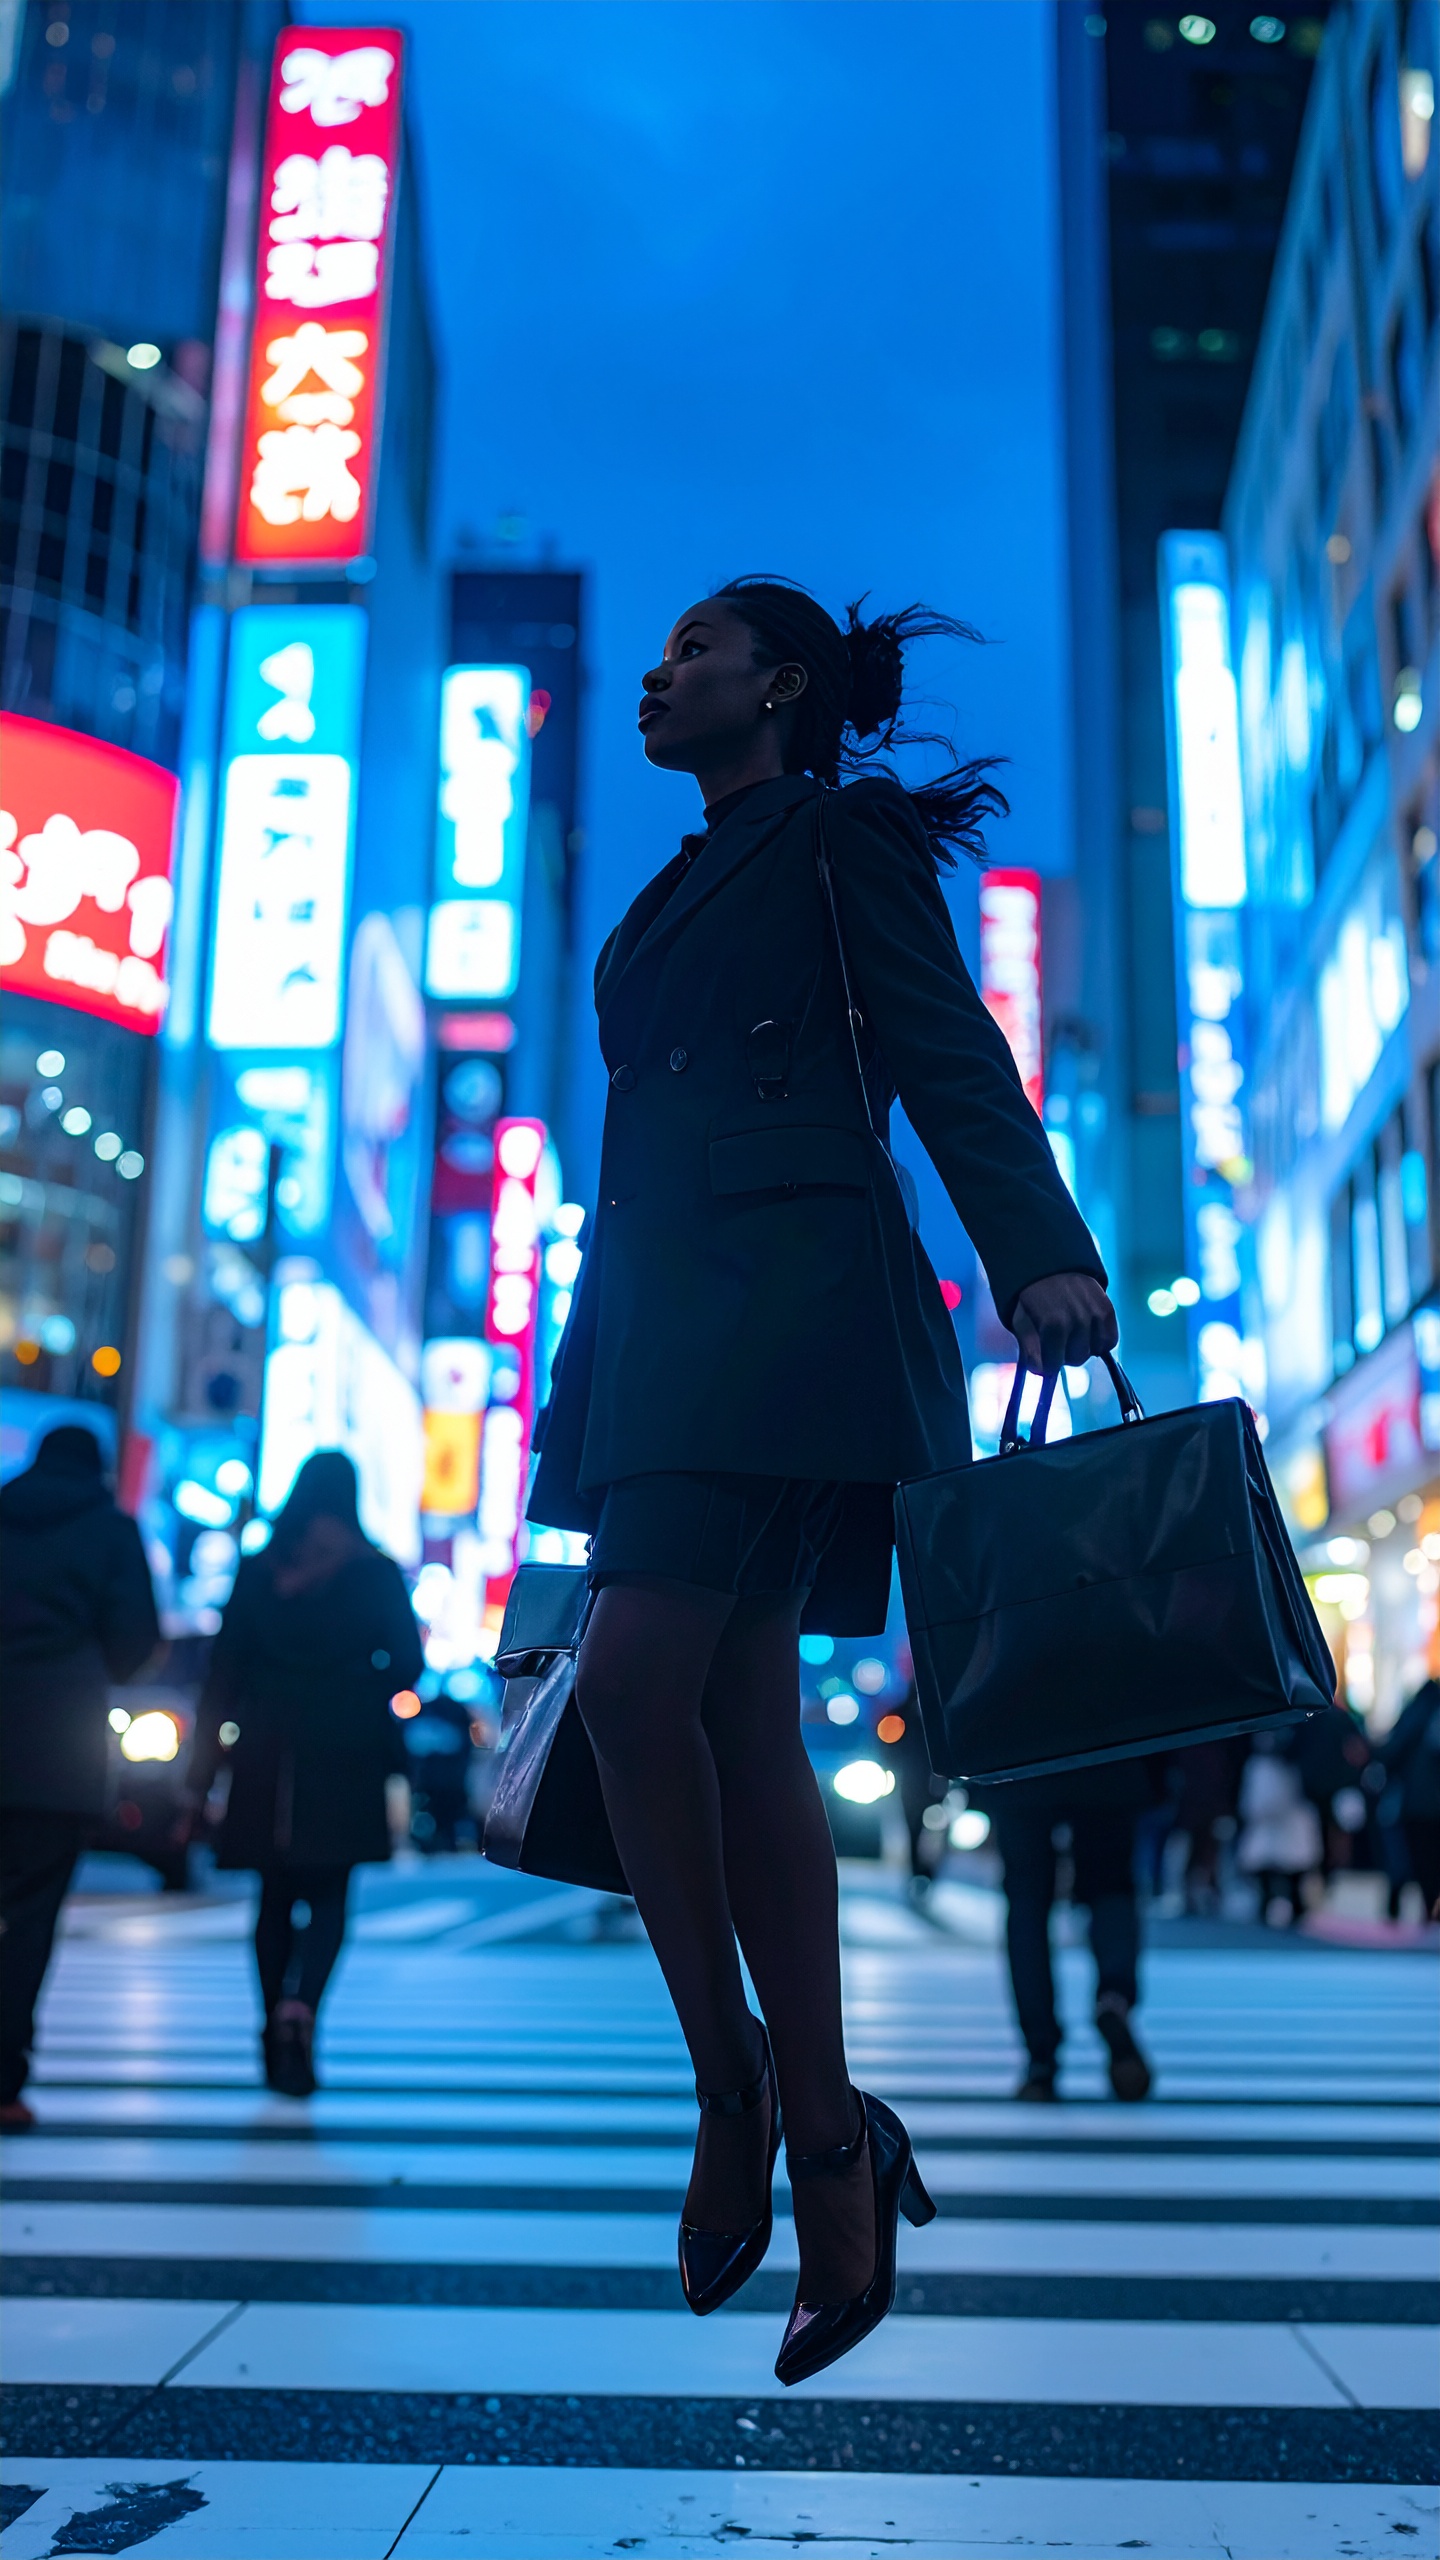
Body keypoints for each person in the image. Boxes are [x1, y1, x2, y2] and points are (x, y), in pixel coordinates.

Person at [527, 578, 1118, 2384]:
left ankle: (755, 2096)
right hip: (661, 1327)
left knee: (637, 1683)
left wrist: (1037, 1249)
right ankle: (819, 2119)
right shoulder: (669, 892)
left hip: (792, 1315)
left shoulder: (839, 839)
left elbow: (947, 1044)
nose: (658, 675)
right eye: (659, 655)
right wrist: (591, 1357)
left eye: (695, 653)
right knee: (723, 1711)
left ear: (783, 685)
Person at [184, 1451, 423, 2098]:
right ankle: (304, 2010)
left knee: (273, 1894)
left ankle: (270, 2021)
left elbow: (223, 1670)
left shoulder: (262, 1568)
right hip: (346, 1747)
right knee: (331, 1892)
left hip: (267, 1744)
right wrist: (359, 1681)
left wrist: (200, 1775)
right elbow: (407, 1662)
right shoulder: (372, 1571)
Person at [0, 1424, 160, 2128]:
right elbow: (136, 1638)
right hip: (56, 1742)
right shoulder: (109, 1531)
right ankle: (4, 2079)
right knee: (30, 1917)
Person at [977, 1762, 1154, 2103]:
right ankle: (1114, 1998)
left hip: (1017, 1761)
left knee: (1027, 1902)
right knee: (1111, 1885)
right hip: (1106, 1757)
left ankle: (1040, 2057)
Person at [1377, 1678, 1440, 1915]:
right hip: (1426, 1801)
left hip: (1417, 1802)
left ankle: (1422, 1908)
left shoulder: (1417, 1712)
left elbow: (1394, 1749)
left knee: (1414, 1857)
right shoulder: (1430, 1714)